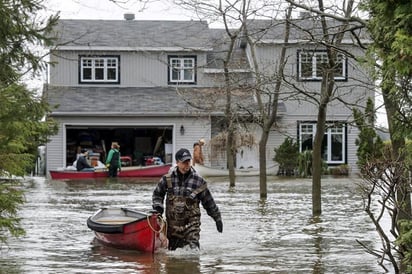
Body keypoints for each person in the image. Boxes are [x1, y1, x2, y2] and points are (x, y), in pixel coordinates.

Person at [152, 148, 223, 250]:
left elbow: (209, 202)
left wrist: (217, 218)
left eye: (188, 161)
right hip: (172, 229)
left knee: (192, 253)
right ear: (177, 162)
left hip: (192, 226)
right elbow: (157, 194)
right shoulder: (167, 179)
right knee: (172, 257)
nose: (187, 164)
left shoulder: (199, 181)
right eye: (184, 162)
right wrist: (158, 208)